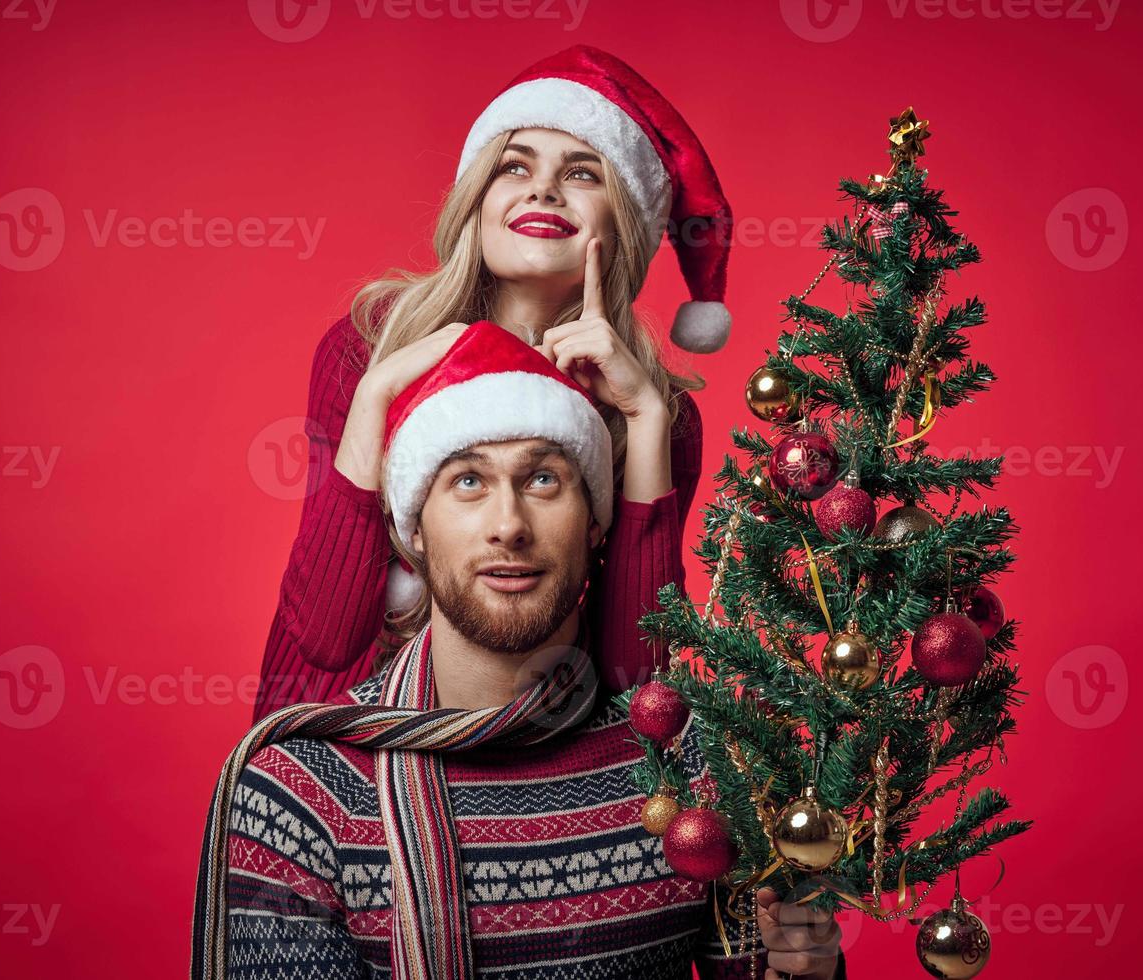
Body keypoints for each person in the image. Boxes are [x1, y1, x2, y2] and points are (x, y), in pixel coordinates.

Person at [196, 323, 846, 980]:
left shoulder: (703, 766)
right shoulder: (300, 797)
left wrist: (808, 972)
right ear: (413, 531)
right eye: (469, 482)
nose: (508, 524)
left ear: (595, 524)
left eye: (542, 480)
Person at [254, 44, 739, 722]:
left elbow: (637, 676)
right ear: (477, 201)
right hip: (343, 729)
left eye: (583, 173)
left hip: (542, 742)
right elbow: (325, 637)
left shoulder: (660, 408)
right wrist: (374, 398)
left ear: (625, 223)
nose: (544, 190)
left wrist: (647, 421)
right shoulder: (369, 345)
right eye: (515, 166)